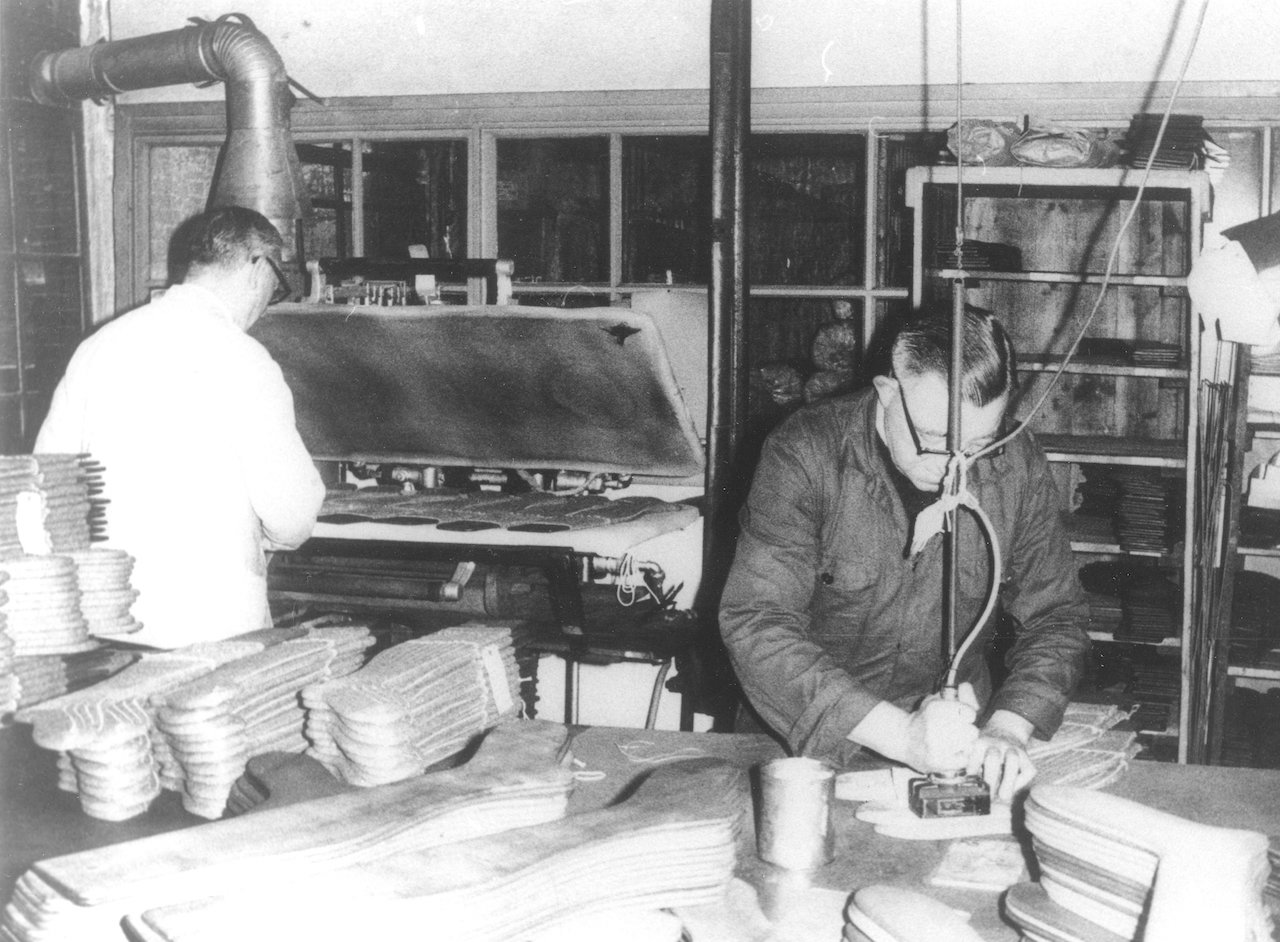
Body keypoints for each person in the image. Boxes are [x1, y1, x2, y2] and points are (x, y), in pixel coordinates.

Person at [719, 308, 1090, 800]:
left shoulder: (1016, 463)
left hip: (955, 754)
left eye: (976, 444)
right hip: (798, 750)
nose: (953, 469)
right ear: (888, 392)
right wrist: (902, 736)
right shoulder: (804, 453)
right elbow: (757, 622)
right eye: (936, 440)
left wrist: (1008, 729)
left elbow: (1057, 617)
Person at [35, 206, 325, 649]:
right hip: (206, 624)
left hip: (106, 618)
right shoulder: (243, 359)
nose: (269, 301)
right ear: (258, 268)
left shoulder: (98, 347)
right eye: (276, 285)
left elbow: (48, 487)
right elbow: (293, 513)